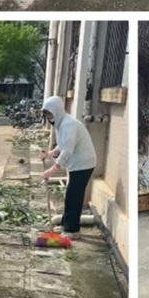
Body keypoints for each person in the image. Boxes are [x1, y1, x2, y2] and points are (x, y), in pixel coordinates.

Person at [39, 95, 97, 239]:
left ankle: (72, 231)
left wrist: (53, 169)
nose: (49, 118)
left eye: (50, 114)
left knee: (74, 197)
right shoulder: (62, 123)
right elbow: (63, 145)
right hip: (78, 164)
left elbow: (67, 150)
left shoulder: (68, 124)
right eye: (47, 115)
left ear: (58, 111)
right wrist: (50, 153)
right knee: (71, 195)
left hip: (83, 164)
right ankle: (67, 224)